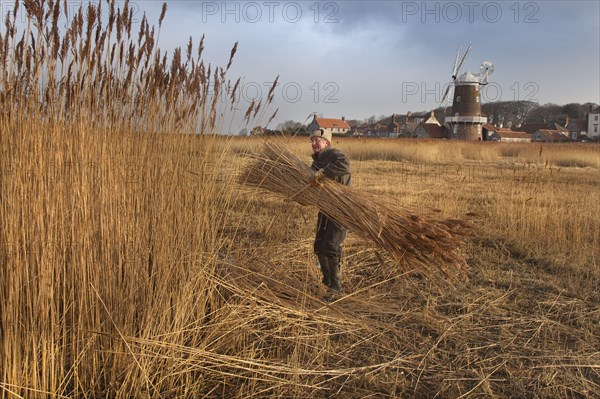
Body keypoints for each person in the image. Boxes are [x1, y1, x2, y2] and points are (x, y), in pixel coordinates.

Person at [308, 128, 351, 297]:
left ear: (326, 142)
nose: (314, 143)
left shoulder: (334, 153)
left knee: (331, 246)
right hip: (326, 207)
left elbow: (345, 166)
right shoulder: (316, 161)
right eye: (312, 141)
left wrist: (324, 172)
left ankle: (337, 287)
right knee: (319, 246)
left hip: (342, 208)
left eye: (317, 140)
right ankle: (328, 281)